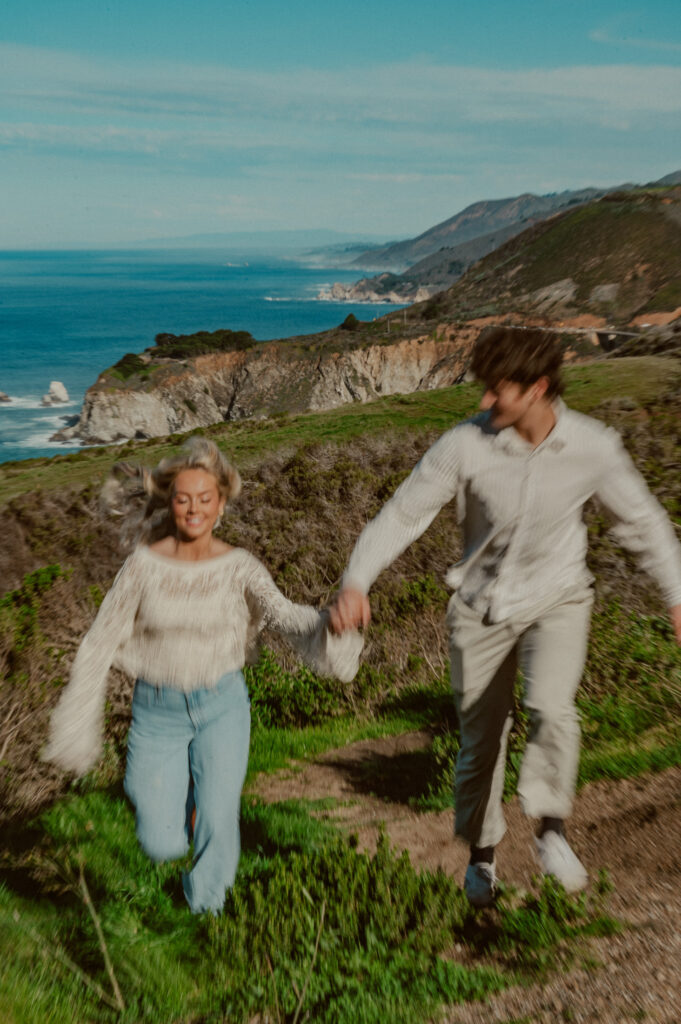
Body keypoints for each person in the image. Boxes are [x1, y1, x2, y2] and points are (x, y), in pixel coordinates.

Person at [329, 325, 681, 907]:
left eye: (498, 391)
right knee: (480, 741)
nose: (484, 402)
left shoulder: (593, 446)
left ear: (538, 388)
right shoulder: (464, 445)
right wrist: (356, 580)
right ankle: (483, 857)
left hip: (559, 597)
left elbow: (643, 524)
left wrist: (675, 595)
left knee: (551, 707)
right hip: (480, 607)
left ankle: (551, 831)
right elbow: (402, 515)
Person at [45, 437, 361, 914]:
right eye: (184, 498)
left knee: (218, 816)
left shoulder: (240, 567)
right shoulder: (143, 566)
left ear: (221, 505)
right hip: (157, 711)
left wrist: (329, 625)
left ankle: (207, 912)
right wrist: (76, 721)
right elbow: (100, 640)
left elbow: (283, 616)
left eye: (204, 499)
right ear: (170, 503)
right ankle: (184, 811)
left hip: (222, 704)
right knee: (159, 840)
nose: (193, 508)